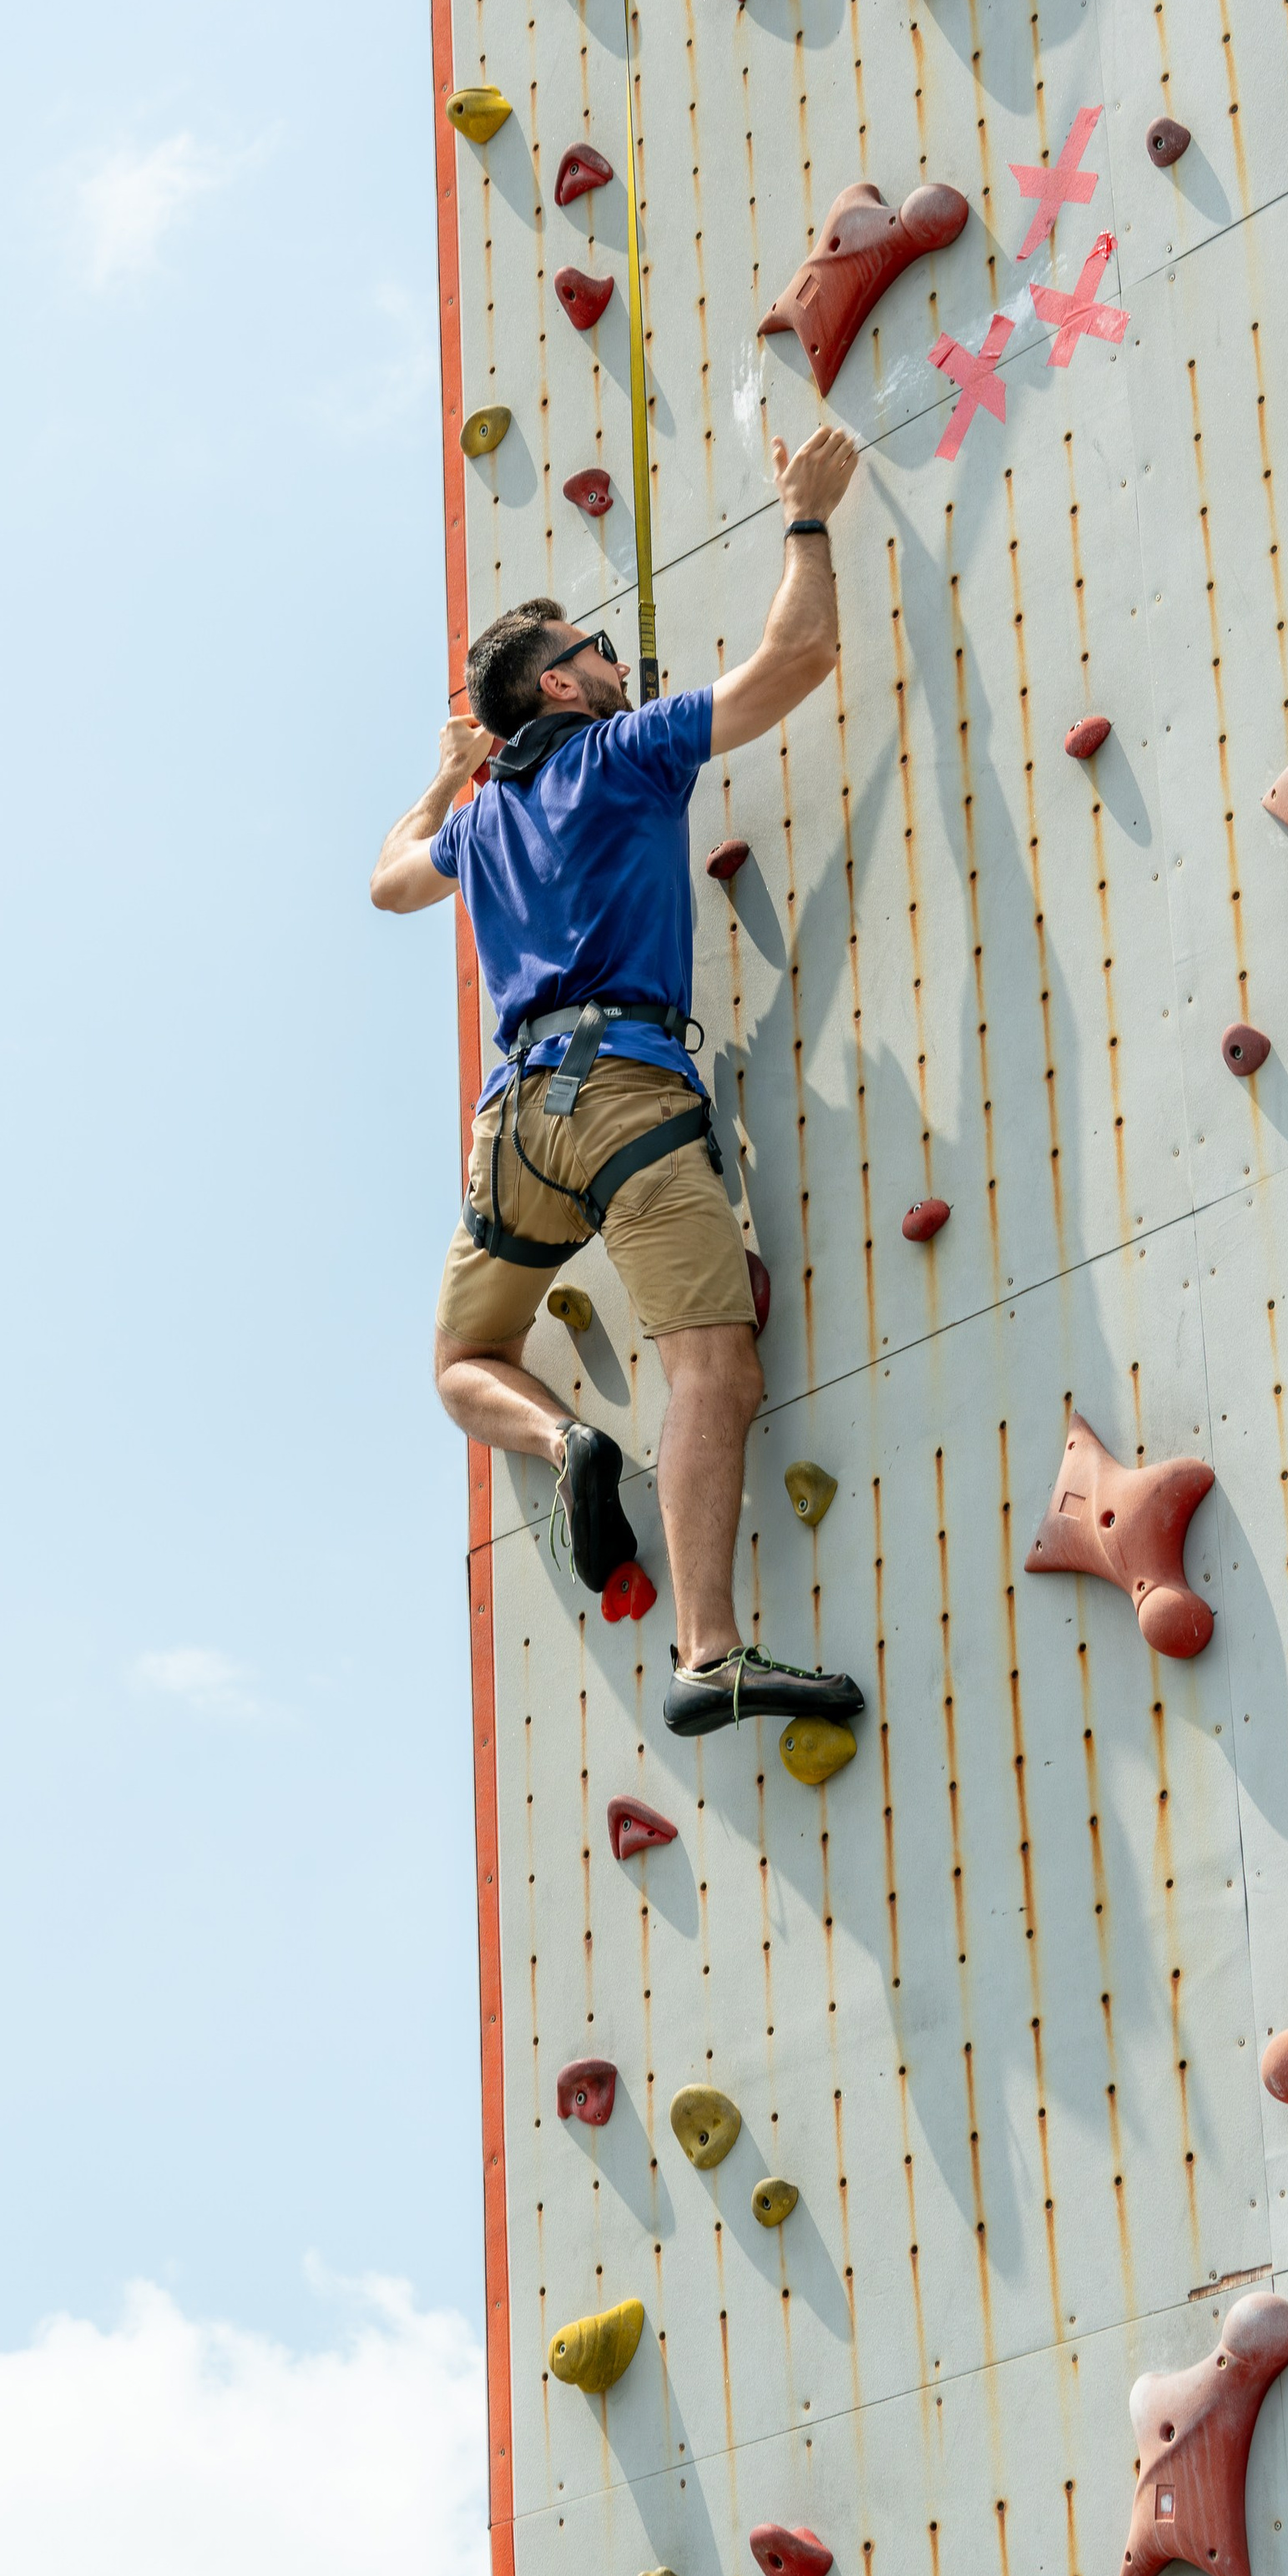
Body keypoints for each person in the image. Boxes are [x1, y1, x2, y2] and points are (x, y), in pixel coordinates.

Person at [370, 424, 868, 1740]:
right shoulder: (626, 750)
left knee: (464, 1359)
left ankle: (561, 1444)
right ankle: (708, 1651)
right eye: (591, 649)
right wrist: (806, 519)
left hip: (513, 1127)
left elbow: (385, 878)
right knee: (712, 1365)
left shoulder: (478, 826)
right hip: (627, 1099)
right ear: (561, 690)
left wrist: (445, 774)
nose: (612, 657)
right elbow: (799, 661)